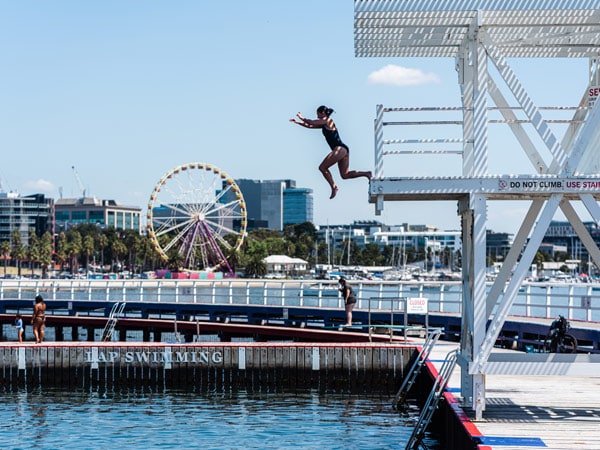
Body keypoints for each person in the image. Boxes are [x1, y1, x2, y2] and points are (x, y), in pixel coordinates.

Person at [290, 105, 371, 199]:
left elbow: (311, 122)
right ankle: (367, 174)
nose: (317, 116)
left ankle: (333, 187)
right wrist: (298, 122)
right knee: (345, 175)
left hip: (339, 149)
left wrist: (301, 117)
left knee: (322, 167)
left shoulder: (327, 120)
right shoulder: (323, 123)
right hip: (343, 150)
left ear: (323, 113)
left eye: (318, 114)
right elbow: (310, 126)